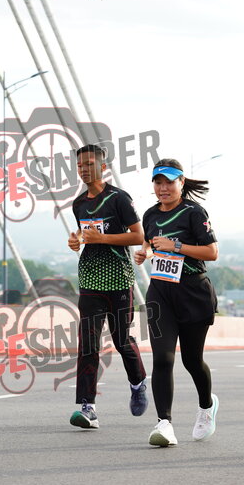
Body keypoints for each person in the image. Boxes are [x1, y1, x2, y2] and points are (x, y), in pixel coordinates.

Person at [134, 159, 219, 447]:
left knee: (192, 360)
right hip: (161, 294)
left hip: (193, 293)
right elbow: (149, 241)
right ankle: (164, 424)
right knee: (162, 358)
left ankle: (206, 406)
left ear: (181, 182)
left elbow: (212, 252)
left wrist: (176, 246)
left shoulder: (194, 212)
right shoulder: (150, 214)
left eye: (169, 182)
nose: (163, 188)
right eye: (158, 182)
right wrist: (145, 252)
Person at [68, 144, 147, 428]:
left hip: (119, 278)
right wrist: (76, 240)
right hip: (90, 278)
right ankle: (87, 407)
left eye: (89, 164)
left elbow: (138, 236)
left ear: (103, 167)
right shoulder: (78, 203)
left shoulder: (119, 198)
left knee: (121, 339)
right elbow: (84, 233)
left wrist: (102, 239)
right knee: (87, 343)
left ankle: (138, 383)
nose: (84, 169)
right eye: (80, 165)